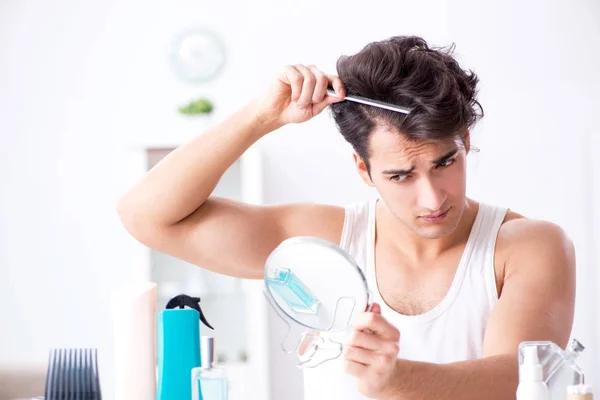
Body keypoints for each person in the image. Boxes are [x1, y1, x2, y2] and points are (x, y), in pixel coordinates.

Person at [117, 35, 575, 400]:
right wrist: (262, 116)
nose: (432, 197)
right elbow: (147, 218)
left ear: (465, 142)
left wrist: (394, 380)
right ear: (364, 169)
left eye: (444, 163)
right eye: (399, 175)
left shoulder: (525, 246)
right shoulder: (324, 243)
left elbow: (515, 380)